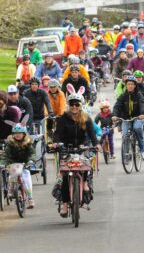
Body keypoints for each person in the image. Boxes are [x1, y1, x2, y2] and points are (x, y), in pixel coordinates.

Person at [53, 84, 100, 217]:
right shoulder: (63, 118)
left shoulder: (86, 118)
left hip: (82, 148)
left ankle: (84, 183)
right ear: (69, 105)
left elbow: (92, 134)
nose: (74, 107)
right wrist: (56, 143)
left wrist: (96, 144)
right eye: (72, 104)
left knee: (85, 165)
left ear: (81, 105)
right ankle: (65, 203)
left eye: (77, 104)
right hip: (66, 148)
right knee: (66, 175)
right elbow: (57, 133)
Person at [4, 115, 35, 208]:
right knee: (11, 177)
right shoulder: (10, 144)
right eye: (16, 133)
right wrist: (5, 162)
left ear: (24, 133)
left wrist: (30, 160)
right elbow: (6, 155)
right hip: (13, 164)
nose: (18, 134)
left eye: (20, 132)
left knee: (27, 178)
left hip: (25, 164)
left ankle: (30, 198)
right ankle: (10, 190)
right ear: (13, 134)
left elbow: (32, 153)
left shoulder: (28, 143)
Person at [112, 76, 144, 155]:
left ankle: (142, 147)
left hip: (137, 117)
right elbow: (117, 106)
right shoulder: (123, 96)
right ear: (126, 85)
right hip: (126, 119)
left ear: (135, 85)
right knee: (125, 135)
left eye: (132, 84)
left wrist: (142, 114)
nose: (130, 86)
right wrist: (114, 115)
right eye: (128, 84)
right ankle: (126, 154)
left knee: (137, 128)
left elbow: (142, 105)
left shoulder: (139, 95)